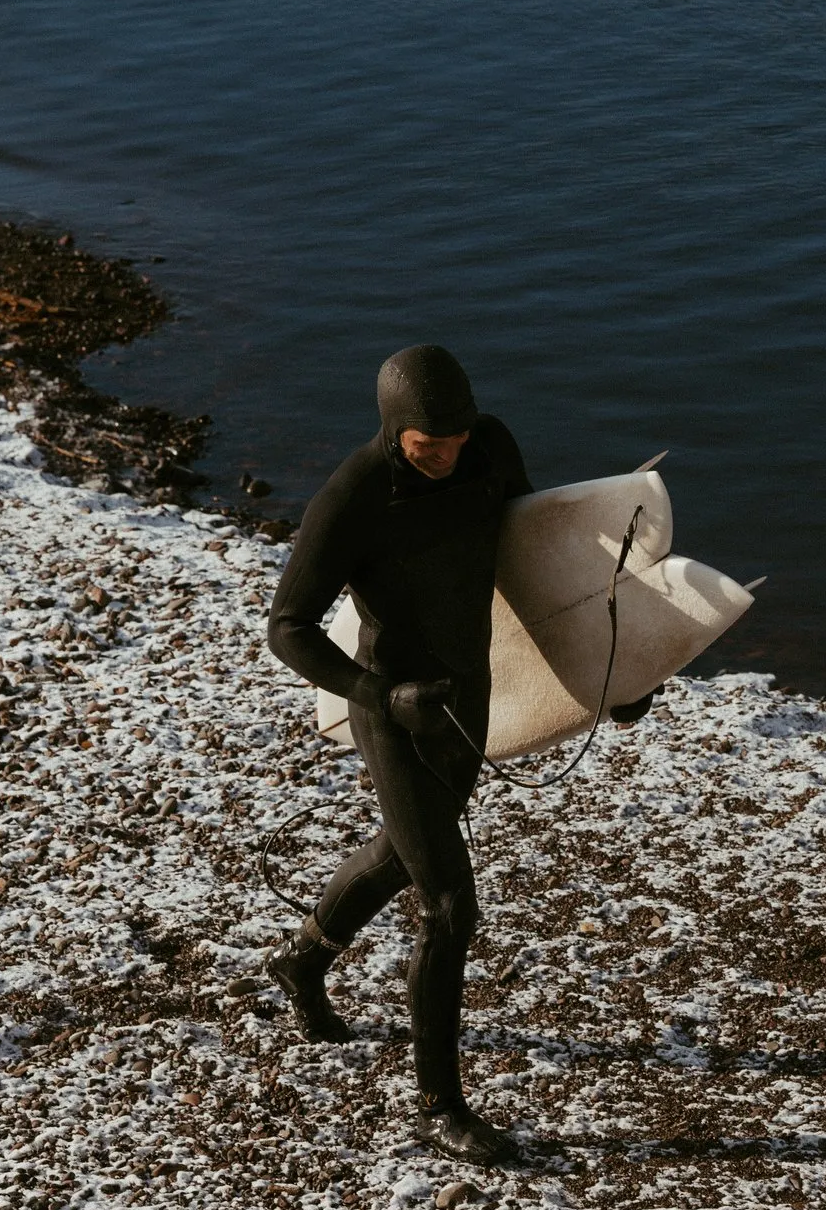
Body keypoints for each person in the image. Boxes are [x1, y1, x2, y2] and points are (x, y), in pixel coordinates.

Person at [263, 345, 647, 1166]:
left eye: (456, 439)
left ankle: (301, 961)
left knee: (400, 855)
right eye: (427, 445)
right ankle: (440, 1104)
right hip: (395, 713)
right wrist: (380, 695)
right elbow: (286, 628)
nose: (446, 455)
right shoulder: (353, 497)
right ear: (393, 431)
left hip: (467, 698)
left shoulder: (490, 449)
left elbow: (541, 570)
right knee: (447, 905)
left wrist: (612, 679)